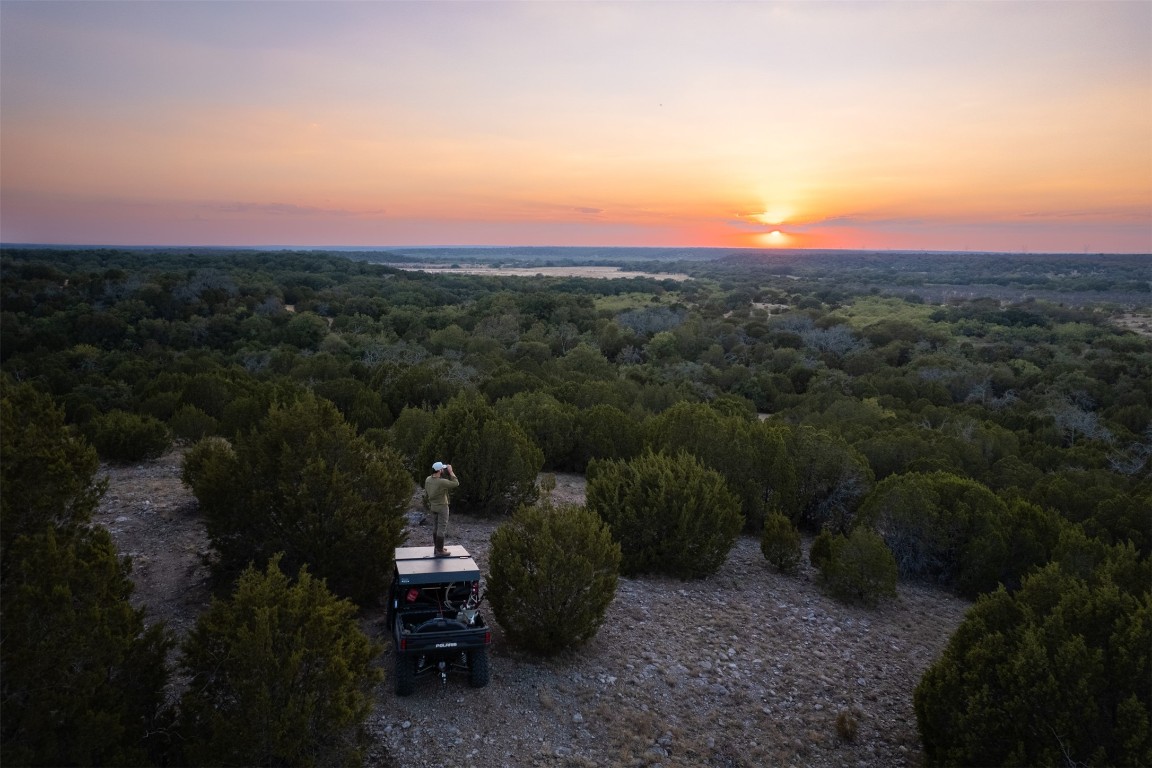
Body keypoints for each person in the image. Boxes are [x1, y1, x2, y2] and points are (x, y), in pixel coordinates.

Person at [424, 461, 459, 556]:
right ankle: (440, 550)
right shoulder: (441, 482)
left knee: (435, 527)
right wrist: (451, 472)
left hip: (433, 506)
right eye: (442, 469)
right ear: (439, 470)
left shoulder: (428, 479)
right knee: (441, 528)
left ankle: (437, 548)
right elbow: (456, 483)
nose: (443, 470)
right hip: (442, 507)